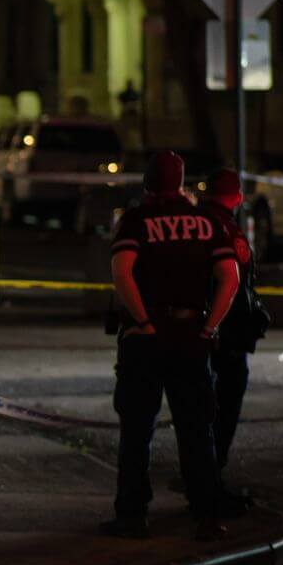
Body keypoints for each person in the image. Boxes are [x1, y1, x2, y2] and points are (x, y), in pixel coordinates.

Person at [101, 150, 243, 541]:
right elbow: (229, 277)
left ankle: (132, 515)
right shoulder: (206, 221)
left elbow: (121, 272)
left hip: (145, 341)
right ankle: (207, 514)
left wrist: (143, 321)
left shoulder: (137, 221)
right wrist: (210, 327)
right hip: (190, 336)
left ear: (147, 183)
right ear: (182, 183)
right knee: (197, 430)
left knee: (136, 430)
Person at [197, 170, 267, 479]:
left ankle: (203, 474)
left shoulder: (195, 223)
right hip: (225, 334)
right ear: (237, 197)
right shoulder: (227, 230)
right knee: (223, 406)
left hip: (205, 330)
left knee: (202, 407)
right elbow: (235, 285)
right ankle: (210, 474)